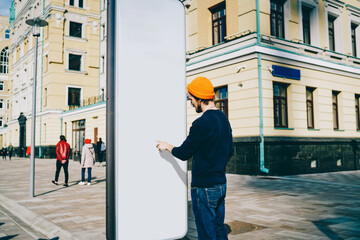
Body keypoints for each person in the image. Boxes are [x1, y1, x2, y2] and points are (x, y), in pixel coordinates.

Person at [156, 76, 233, 240]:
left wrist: (167, 146)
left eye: (191, 98)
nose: (190, 102)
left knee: (206, 234)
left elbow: (183, 153)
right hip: (221, 184)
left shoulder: (201, 123)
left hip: (204, 187)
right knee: (219, 230)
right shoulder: (223, 119)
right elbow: (230, 151)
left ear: (200, 98)